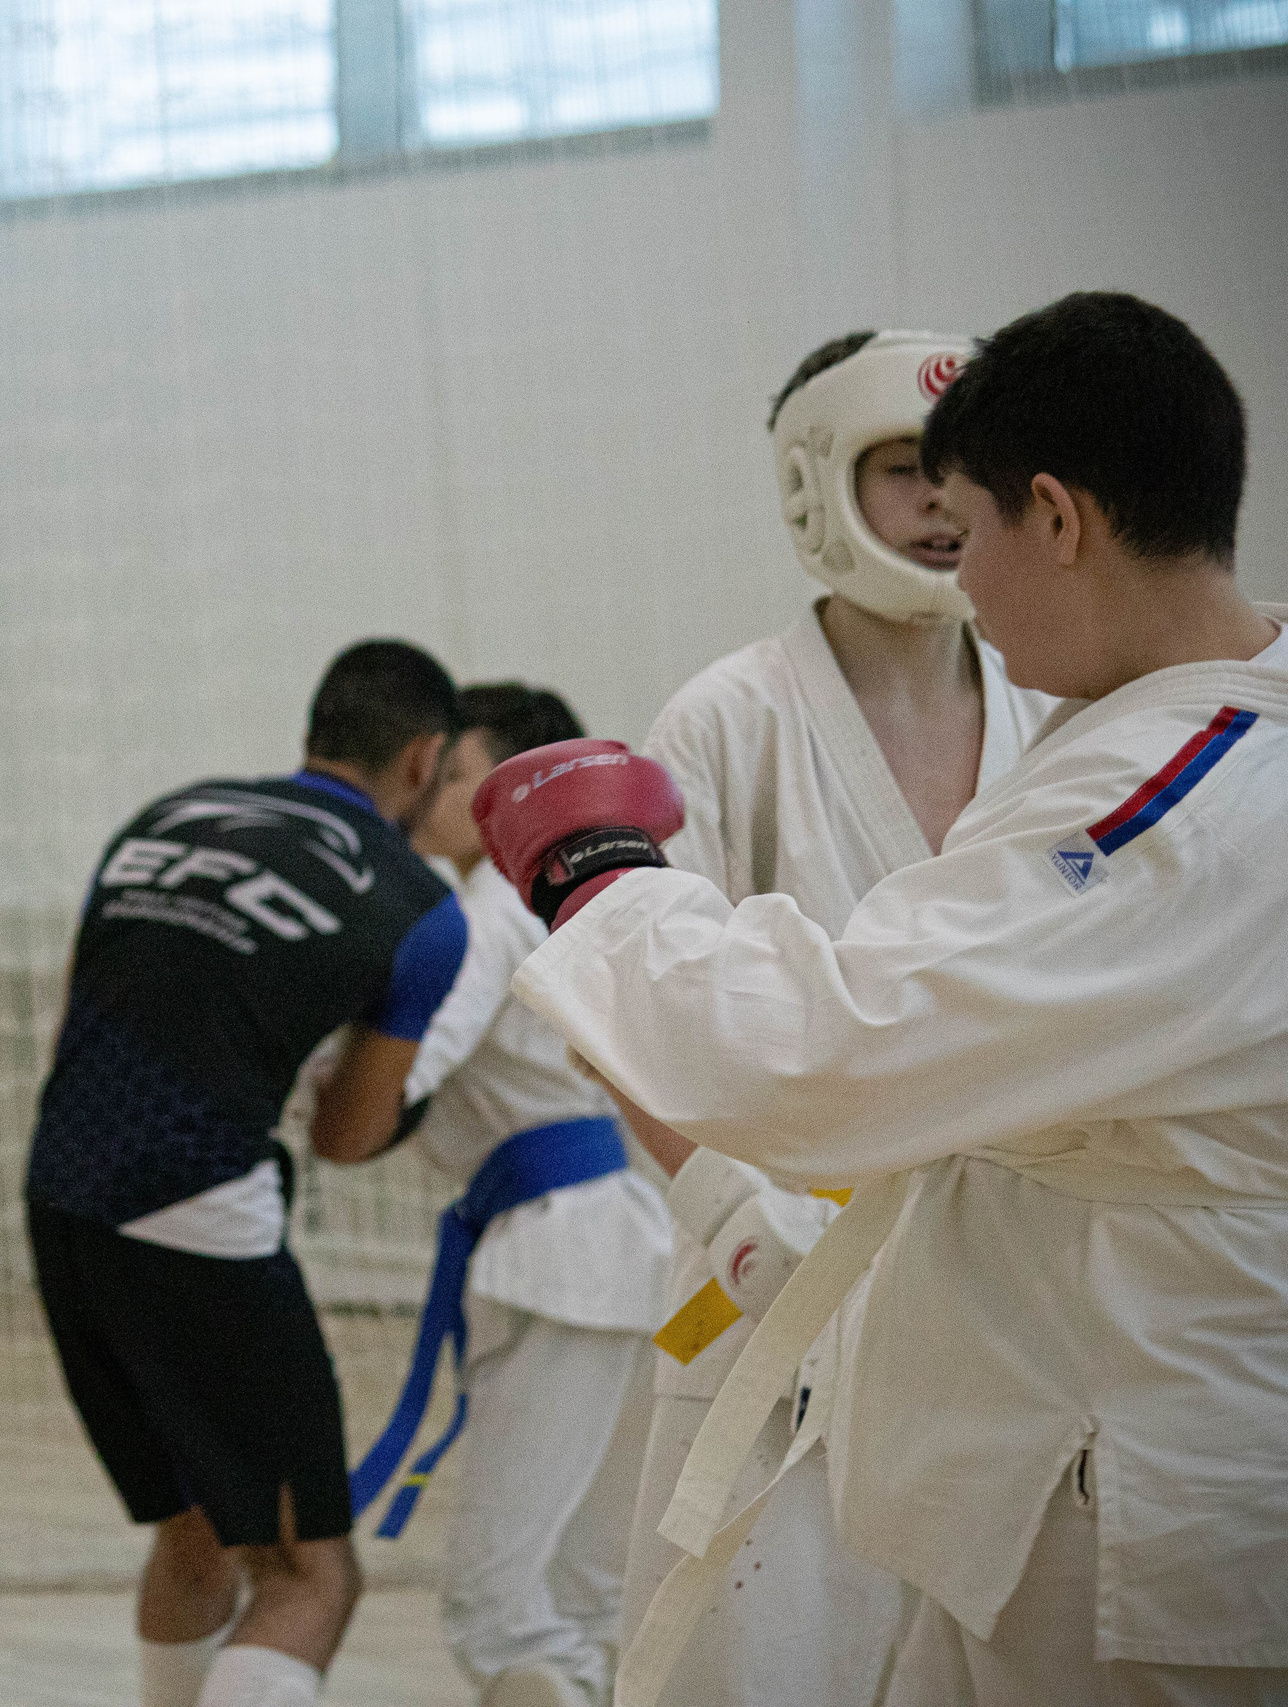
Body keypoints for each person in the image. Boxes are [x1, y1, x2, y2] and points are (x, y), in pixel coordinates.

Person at [483, 290, 1288, 1705]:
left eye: (967, 517)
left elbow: (829, 1045)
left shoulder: (1175, 791)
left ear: (1057, 515)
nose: (954, 560)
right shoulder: (1136, 725)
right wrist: (736, 1214)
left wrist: (598, 874)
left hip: (1126, 1455)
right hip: (990, 1394)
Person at [598, 326, 1058, 1707]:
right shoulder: (728, 718)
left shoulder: (1062, 711)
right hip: (772, 1279)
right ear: (813, 484)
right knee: (752, 1659)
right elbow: (624, 993)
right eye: (901, 468)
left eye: (959, 472)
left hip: (1006, 1293)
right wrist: (728, 1208)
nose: (938, 503)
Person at [26, 639, 471, 1707]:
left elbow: (83, 1020)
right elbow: (344, 1137)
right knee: (309, 1572)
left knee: (191, 1539)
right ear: (420, 760)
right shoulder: (420, 906)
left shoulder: (166, 815)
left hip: (58, 1203)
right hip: (198, 1222)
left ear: (314, 734)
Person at [365, 683, 673, 1707]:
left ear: (519, 787)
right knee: (587, 1591)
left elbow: (404, 1077)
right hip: (632, 1247)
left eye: (460, 772)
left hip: (557, 1253)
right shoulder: (581, 902)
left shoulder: (482, 915)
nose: (438, 791)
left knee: (496, 1608)